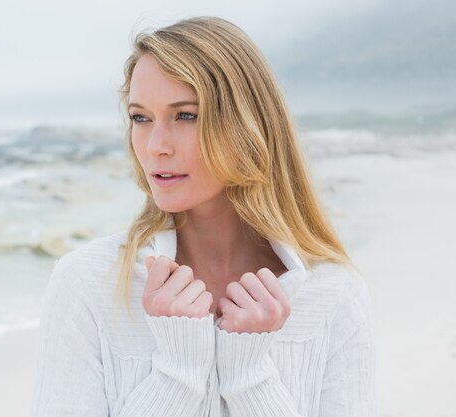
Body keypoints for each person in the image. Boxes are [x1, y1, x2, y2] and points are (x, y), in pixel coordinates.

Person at [31, 16, 377, 417]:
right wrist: (179, 373)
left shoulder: (335, 295)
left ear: (247, 126)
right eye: (141, 117)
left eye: (186, 115)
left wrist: (249, 377)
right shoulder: (87, 283)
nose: (155, 146)